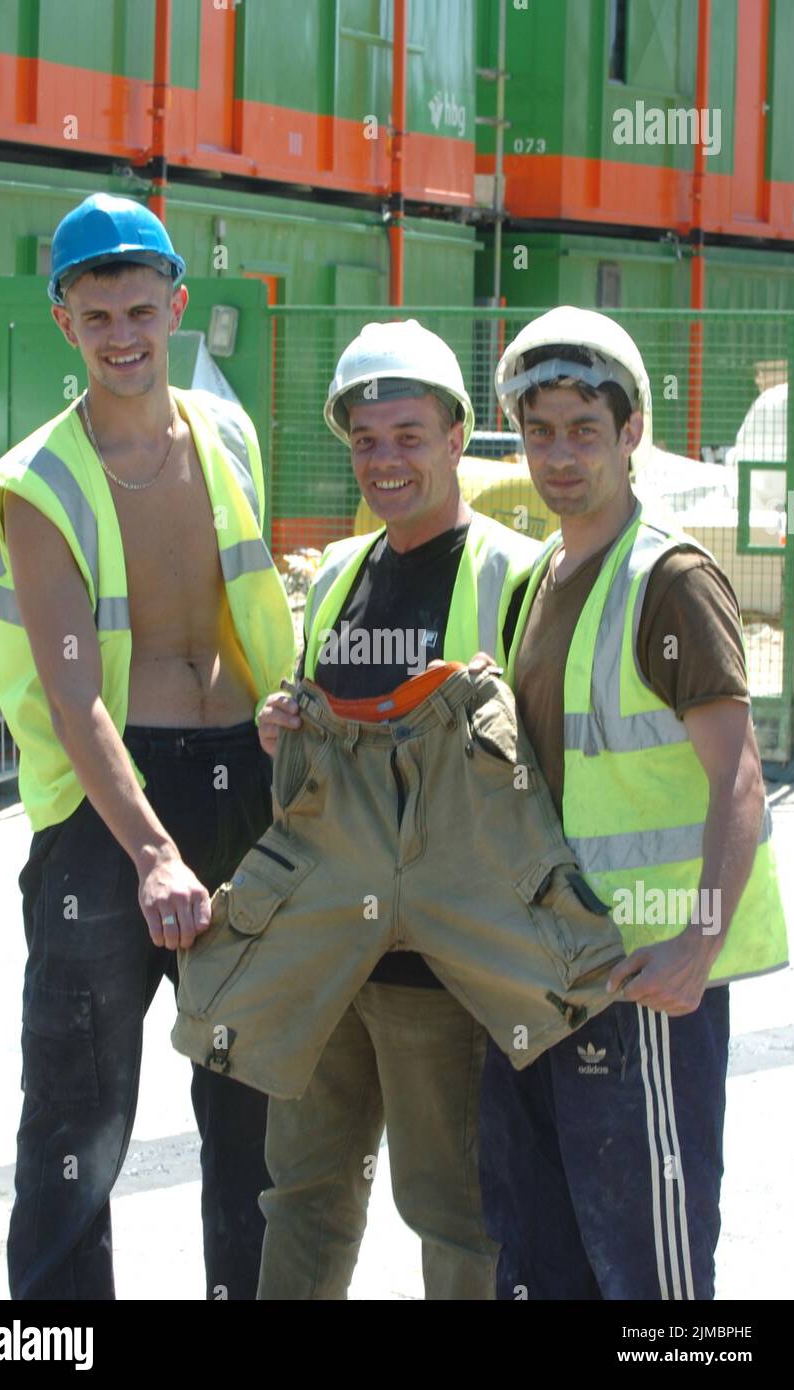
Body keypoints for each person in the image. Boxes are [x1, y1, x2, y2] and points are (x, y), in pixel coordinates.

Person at [0, 193, 296, 1300]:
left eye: (141, 313)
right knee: (77, 1116)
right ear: (64, 321)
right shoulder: (39, 483)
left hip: (238, 792)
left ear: (178, 309)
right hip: (107, 821)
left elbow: (254, 615)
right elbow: (73, 696)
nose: (122, 337)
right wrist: (153, 852)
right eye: (98, 316)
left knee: (253, 1108)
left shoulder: (230, 438)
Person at [480, 305, 789, 1301]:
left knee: (648, 1270)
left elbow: (736, 776)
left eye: (582, 428)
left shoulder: (667, 580)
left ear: (630, 433)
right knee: (545, 1254)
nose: (557, 454)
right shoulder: (538, 580)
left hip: (644, 979)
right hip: (551, 974)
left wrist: (696, 943)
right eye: (538, 431)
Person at [254, 319, 540, 1299]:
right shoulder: (335, 573)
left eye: (407, 435)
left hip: (441, 972)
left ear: (457, 437)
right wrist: (286, 722)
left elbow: (543, 760)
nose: (384, 459)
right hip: (326, 955)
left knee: (453, 1211)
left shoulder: (512, 572)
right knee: (302, 1197)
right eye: (366, 439)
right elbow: (323, 729)